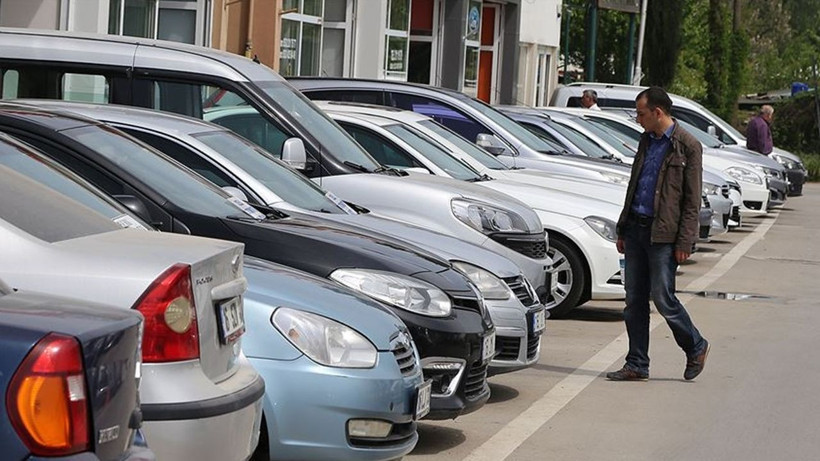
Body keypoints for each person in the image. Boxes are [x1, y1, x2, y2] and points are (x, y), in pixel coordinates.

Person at [607, 86, 710, 382]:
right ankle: (637, 363)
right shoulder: (646, 140)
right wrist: (623, 227)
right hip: (636, 229)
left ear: (658, 113)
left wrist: (685, 241)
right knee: (633, 300)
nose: (637, 118)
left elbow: (692, 199)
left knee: (663, 298)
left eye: (641, 113)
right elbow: (635, 185)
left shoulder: (688, 145)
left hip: (663, 236)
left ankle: (696, 345)